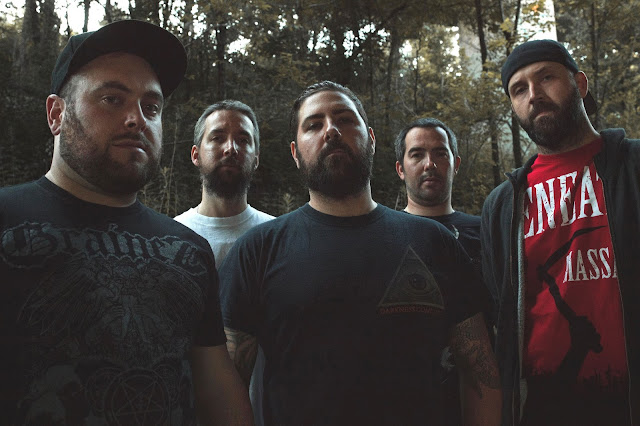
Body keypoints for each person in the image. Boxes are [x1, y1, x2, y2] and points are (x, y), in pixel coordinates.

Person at [0, 20, 252, 425]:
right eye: (112, 99)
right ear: (57, 114)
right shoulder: (8, 221)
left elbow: (216, 391)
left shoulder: (188, 251)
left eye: (151, 107)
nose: (137, 119)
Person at [219, 80, 501, 425]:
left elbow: (481, 374)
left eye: (344, 119)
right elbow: (225, 391)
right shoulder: (258, 251)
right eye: (314, 125)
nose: (331, 131)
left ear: (371, 138)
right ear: (295, 152)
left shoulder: (435, 242)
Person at [481, 39, 640, 425]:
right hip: (542, 408)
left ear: (580, 84)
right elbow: (501, 315)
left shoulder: (633, 168)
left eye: (546, 78)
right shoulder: (503, 206)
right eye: (519, 89)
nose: (533, 95)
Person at [175, 100, 274, 425]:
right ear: (195, 154)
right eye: (217, 138)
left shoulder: (278, 239)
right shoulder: (170, 240)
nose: (231, 148)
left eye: (243, 140)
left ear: (256, 158)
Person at [395, 117, 485, 426]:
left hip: (479, 394)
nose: (429, 164)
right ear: (400, 168)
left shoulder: (486, 232)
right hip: (407, 402)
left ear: (455, 163)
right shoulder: (384, 236)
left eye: (440, 153)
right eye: (417, 154)